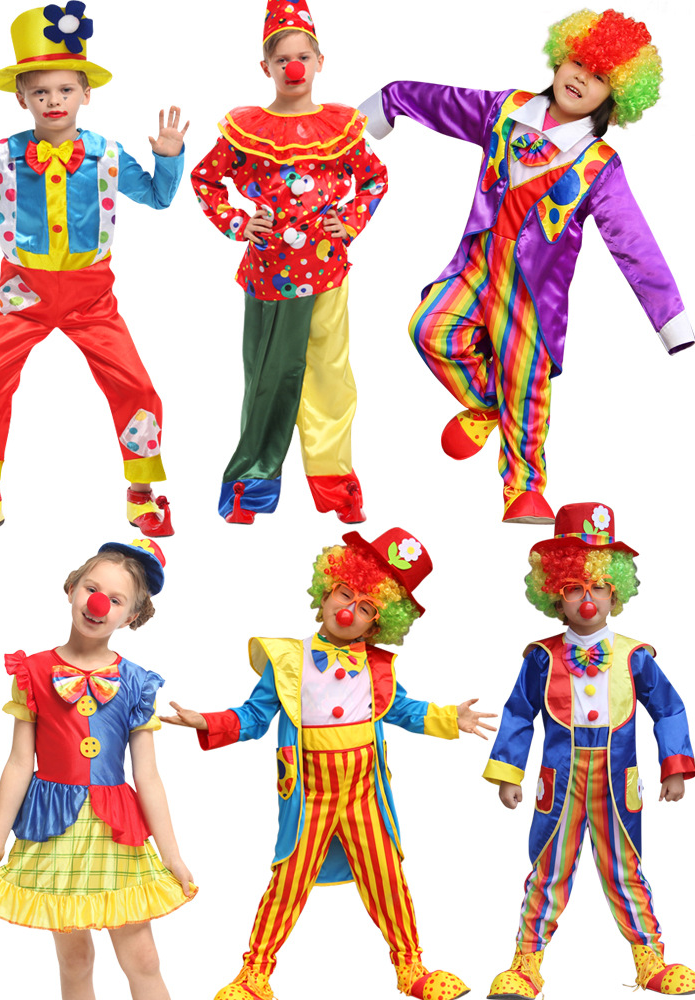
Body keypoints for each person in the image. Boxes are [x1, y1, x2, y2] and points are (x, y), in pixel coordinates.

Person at [359, 9, 691, 525]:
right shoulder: (503, 111)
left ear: (616, 96)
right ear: (559, 58)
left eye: (600, 76)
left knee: (525, 380)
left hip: (531, 292)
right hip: (476, 263)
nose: (581, 78)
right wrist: (389, 101)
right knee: (428, 329)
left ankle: (524, 489)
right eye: (577, 63)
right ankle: (488, 404)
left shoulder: (600, 166)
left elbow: (634, 243)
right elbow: (441, 102)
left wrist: (670, 318)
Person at [163, 528, 495, 1000]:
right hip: (309, 795)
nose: (349, 610)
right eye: (344, 594)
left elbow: (401, 709)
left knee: (387, 876)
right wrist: (207, 721)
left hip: (365, 794)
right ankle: (254, 974)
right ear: (324, 592)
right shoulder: (288, 659)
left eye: (366, 607)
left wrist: (449, 717)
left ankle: (411, 968)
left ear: (376, 626)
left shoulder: (376, 667)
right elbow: (255, 717)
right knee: (289, 880)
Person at [0, 3, 187, 539]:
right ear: (21, 99)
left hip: (93, 297)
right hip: (22, 294)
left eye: (65, 89)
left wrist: (169, 157)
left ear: (86, 93)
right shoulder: (6, 153)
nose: (53, 100)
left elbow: (159, 198)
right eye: (40, 92)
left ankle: (142, 492)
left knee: (137, 388)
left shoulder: (107, 154)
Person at [483, 502, 695, 997]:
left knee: (625, 868)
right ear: (555, 597)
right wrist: (508, 772)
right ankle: (526, 963)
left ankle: (649, 957)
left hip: (617, 779)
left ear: (614, 593)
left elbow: (668, 709)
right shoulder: (541, 657)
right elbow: (518, 713)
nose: (587, 598)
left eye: (597, 586)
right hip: (560, 778)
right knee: (549, 868)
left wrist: (674, 766)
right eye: (574, 588)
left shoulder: (635, 656)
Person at [0, 538, 196, 999]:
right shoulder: (33, 671)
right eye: (92, 589)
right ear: (72, 588)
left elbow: (147, 775)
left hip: (116, 829)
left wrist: (171, 853)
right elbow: (19, 763)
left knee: (143, 958)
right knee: (74, 960)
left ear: (130, 616)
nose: (98, 604)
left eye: (115, 599)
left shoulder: (136, 681)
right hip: (54, 827)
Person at [191, 0, 387, 525]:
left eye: (302, 57)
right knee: (269, 380)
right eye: (282, 60)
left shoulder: (341, 127)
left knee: (330, 377)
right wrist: (238, 222)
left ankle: (335, 484)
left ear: (320, 62)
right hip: (271, 276)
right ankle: (252, 484)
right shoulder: (247, 129)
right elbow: (206, 178)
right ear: (266, 68)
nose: (293, 68)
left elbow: (374, 178)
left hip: (328, 272)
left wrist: (350, 221)